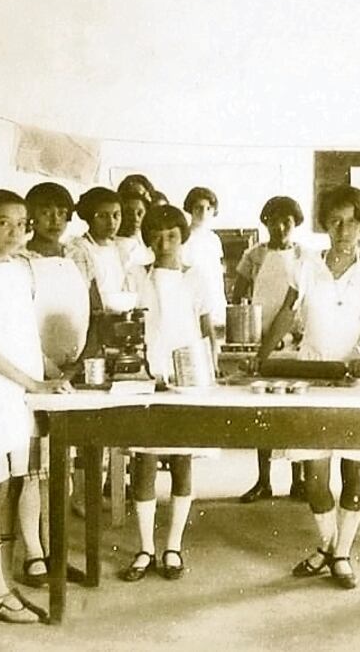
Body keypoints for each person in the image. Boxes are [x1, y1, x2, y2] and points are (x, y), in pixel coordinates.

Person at [256, 185, 360, 590]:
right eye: (335, 221)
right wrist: (262, 356)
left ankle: (339, 553)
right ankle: (331, 548)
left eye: (351, 221)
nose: (343, 230)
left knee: (353, 469)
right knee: (314, 475)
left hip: (358, 375)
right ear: (324, 224)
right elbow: (286, 311)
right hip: (313, 372)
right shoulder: (307, 264)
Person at [0, 189, 71, 623]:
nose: (15, 230)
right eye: (4, 222)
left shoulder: (21, 269)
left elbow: (23, 334)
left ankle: (3, 584)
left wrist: (53, 373)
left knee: (14, 485)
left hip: (20, 390)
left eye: (22, 223)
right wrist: (34, 383)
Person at [118, 203, 221, 582]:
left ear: (183, 237)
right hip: (147, 372)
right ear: (147, 239)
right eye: (157, 236)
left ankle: (173, 546)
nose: (164, 244)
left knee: (181, 458)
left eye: (172, 236)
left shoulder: (196, 277)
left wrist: (212, 367)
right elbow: (126, 323)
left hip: (188, 372)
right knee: (143, 460)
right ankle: (146, 547)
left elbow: (207, 329)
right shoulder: (136, 275)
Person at [16, 183, 90, 588]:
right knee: (34, 468)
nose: (54, 219)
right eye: (45, 211)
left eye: (62, 211)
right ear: (30, 215)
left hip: (69, 374)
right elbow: (19, 324)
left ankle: (56, 551)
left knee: (61, 467)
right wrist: (47, 370)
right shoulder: (21, 262)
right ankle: (33, 553)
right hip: (32, 373)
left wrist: (76, 367)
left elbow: (91, 312)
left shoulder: (75, 258)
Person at [66, 187, 149, 516]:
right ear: (88, 216)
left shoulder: (119, 248)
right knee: (89, 422)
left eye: (116, 215)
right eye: (102, 215)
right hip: (90, 332)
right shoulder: (78, 249)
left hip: (116, 331)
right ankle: (81, 495)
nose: (111, 222)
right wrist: (100, 318)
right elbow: (86, 293)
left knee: (115, 419)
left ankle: (108, 489)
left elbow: (128, 288)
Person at [232, 196, 308, 504]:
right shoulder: (254, 255)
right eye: (273, 221)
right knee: (262, 413)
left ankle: (298, 480)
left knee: (296, 413)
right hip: (261, 341)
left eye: (286, 221)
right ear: (265, 223)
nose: (279, 227)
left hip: (294, 341)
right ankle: (263, 481)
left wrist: (293, 334)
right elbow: (238, 296)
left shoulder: (305, 256)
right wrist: (251, 334)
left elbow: (305, 298)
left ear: (295, 223)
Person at [181, 186, 229, 328]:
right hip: (193, 295)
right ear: (191, 209)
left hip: (214, 295)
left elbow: (217, 275)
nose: (203, 213)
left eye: (208, 209)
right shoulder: (184, 237)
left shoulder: (214, 239)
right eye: (198, 208)